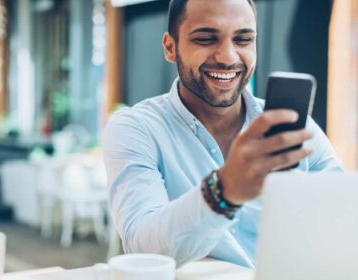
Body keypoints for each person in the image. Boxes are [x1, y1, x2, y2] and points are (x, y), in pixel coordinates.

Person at [103, 0, 343, 268]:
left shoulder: (298, 129)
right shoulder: (137, 128)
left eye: (243, 40)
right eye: (206, 39)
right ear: (170, 48)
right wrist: (224, 190)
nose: (228, 58)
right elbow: (142, 247)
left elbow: (345, 217)